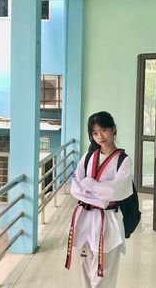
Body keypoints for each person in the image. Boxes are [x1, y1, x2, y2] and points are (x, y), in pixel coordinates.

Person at [65, 111, 133, 288]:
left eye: (103, 130)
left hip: (108, 221)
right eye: (95, 133)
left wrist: (87, 184)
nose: (100, 136)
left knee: (104, 273)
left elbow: (115, 191)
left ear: (113, 129)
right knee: (86, 269)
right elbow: (75, 188)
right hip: (85, 220)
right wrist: (101, 198)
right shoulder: (87, 157)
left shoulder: (123, 161)